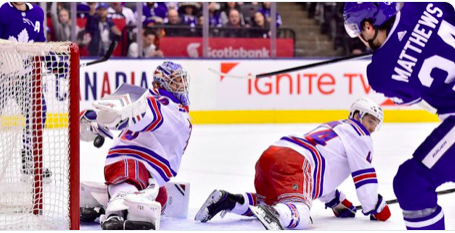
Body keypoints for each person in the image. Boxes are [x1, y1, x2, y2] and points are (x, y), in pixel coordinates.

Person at [195, 98, 391, 230]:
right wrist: (376, 207)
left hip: (273, 154)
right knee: (301, 213)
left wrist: (337, 203)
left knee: (267, 202)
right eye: (370, 120)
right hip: (297, 162)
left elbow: (323, 177)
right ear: (356, 115)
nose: (372, 127)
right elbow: (364, 179)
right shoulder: (360, 135)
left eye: (375, 123)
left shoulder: (337, 127)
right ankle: (276, 214)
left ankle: (230, 201)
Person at [343, 2, 455, 230]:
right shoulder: (430, 4)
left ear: (368, 25)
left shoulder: (379, 73)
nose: (360, 39)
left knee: (411, 183)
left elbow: (415, 99)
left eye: (358, 32)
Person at [80, 61, 192, 230]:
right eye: (176, 81)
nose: (181, 85)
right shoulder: (162, 104)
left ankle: (100, 200)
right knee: (133, 174)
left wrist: (99, 121)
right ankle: (115, 211)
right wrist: (104, 118)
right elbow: (146, 114)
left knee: (160, 198)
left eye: (183, 80)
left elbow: (135, 114)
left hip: (147, 168)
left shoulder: (174, 110)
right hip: (128, 160)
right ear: (162, 83)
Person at [0, 2, 52, 178]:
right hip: (3, 77)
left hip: (26, 78)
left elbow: (40, 44)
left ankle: (30, 160)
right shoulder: (3, 10)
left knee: (38, 113)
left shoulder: (37, 12)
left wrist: (53, 62)